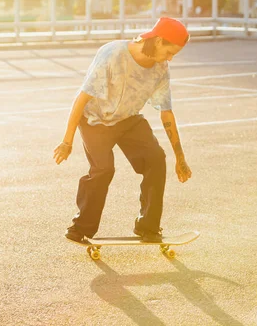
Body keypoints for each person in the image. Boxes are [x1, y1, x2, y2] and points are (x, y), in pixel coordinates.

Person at [54, 17, 192, 244]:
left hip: (128, 120)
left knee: (156, 159)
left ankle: (149, 227)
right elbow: (81, 99)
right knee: (104, 169)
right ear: (158, 41)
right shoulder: (113, 54)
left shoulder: (160, 69)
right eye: (170, 51)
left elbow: (166, 112)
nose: (170, 58)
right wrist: (67, 142)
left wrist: (180, 157)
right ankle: (81, 228)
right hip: (95, 120)